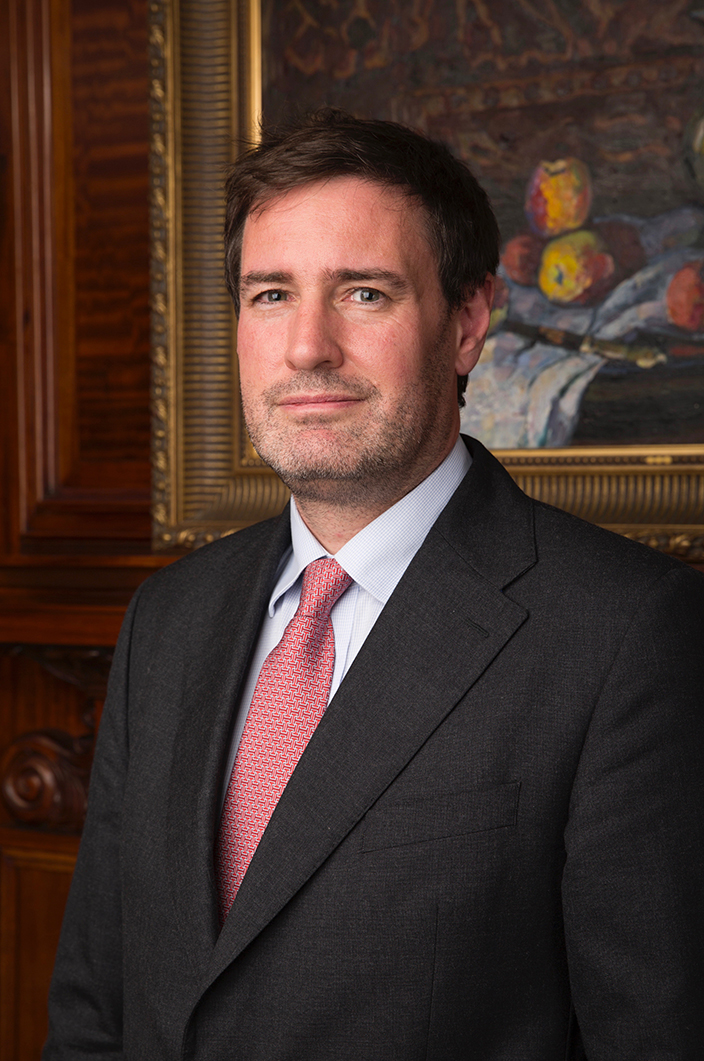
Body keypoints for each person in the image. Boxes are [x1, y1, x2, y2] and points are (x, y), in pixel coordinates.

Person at [44, 110, 704, 1061]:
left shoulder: (624, 634)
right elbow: (94, 1010)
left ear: (467, 323)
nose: (307, 347)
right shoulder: (170, 617)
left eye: (363, 292)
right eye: (271, 294)